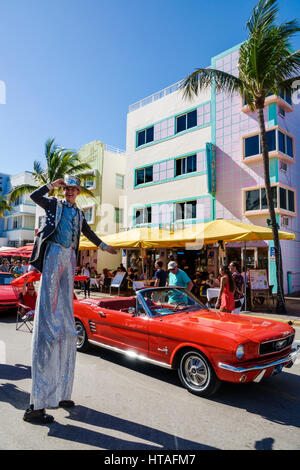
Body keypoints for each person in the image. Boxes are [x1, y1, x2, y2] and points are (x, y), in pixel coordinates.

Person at [23, 175, 117, 424]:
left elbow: (88, 233)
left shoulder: (79, 214)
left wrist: (105, 246)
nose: (71, 192)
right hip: (54, 252)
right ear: (64, 190)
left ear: (78, 192)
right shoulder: (55, 204)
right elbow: (34, 197)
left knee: (66, 321)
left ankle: (62, 392)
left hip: (70, 258)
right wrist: (52, 185)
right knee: (49, 317)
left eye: (74, 189)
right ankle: (38, 402)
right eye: (68, 188)